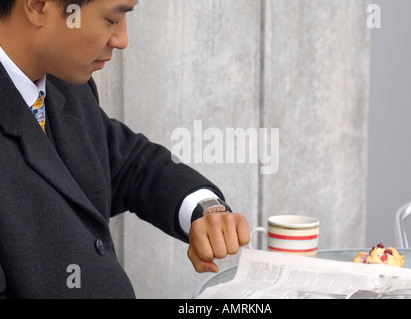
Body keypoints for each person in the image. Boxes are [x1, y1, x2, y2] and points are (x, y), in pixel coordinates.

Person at [0, 0, 250, 298]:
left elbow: (131, 165)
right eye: (111, 19)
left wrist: (205, 211)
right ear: (38, 6)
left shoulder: (64, 85)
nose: (122, 40)